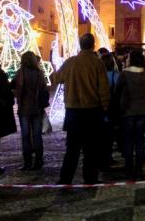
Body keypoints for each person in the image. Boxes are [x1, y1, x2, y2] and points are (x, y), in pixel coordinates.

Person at [53, 33, 110, 185]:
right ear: (93, 44)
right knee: (91, 149)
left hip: (73, 110)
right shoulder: (97, 63)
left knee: (72, 148)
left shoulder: (71, 62)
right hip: (92, 110)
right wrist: (105, 106)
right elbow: (104, 88)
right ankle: (90, 178)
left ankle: (66, 178)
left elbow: (56, 78)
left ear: (80, 44)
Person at [117, 50, 145, 180]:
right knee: (140, 142)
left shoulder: (124, 74)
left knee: (128, 142)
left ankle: (129, 170)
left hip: (127, 111)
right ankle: (139, 170)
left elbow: (117, 91)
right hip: (142, 110)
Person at [12, 51, 48, 170]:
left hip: (24, 109)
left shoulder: (20, 73)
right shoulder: (39, 74)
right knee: (37, 135)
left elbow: (14, 87)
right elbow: (44, 90)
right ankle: (38, 160)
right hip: (37, 108)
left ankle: (27, 162)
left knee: (26, 136)